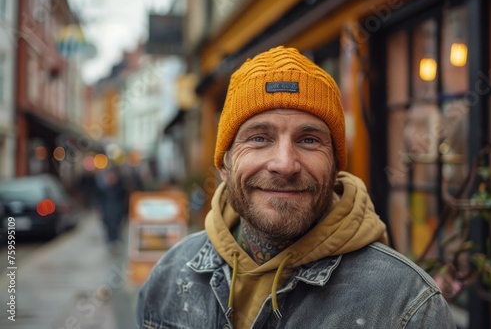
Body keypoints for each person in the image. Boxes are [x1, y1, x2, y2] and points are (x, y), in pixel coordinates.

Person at [136, 46, 456, 328]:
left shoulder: (407, 306)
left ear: (334, 165)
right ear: (224, 163)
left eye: (309, 140)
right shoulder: (171, 276)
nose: (285, 164)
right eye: (260, 138)